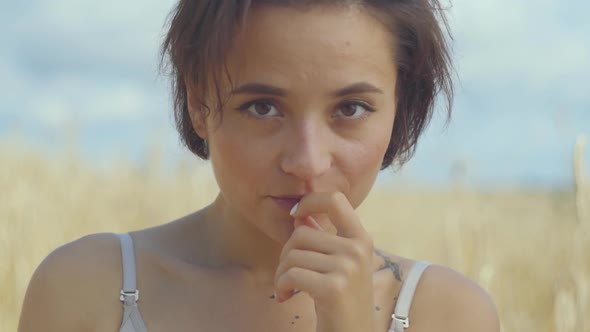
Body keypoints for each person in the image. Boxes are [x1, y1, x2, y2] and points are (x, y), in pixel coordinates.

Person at [18, 1, 500, 331]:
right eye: (263, 108)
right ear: (199, 103)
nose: (307, 161)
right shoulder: (86, 288)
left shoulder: (449, 313)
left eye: (351, 108)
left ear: (401, 108)